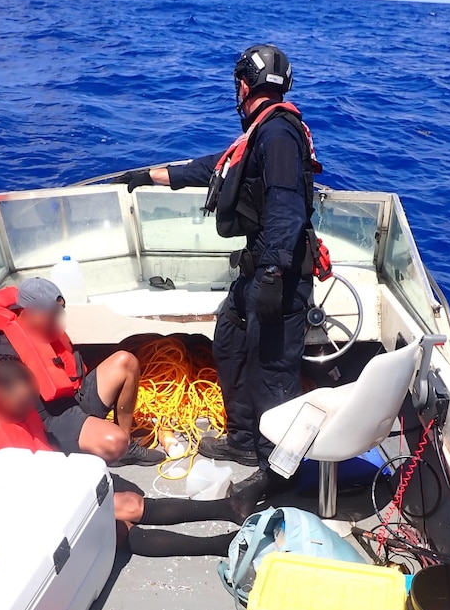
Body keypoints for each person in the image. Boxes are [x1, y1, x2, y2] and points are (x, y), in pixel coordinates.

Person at [113, 43, 321, 500]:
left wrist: (270, 277)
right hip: (261, 273)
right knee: (229, 341)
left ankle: (279, 476)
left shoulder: (279, 136)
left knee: (273, 375)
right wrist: (151, 175)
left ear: (244, 87)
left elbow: (287, 211)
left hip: (279, 279)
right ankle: (244, 441)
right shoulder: (261, 136)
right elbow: (214, 169)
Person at [0, 356, 253, 557]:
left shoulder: (24, 405)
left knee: (130, 503)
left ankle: (228, 507)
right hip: (21, 512)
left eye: (30, 402)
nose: (28, 411)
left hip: (49, 484)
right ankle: (218, 546)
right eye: (20, 405)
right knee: (119, 529)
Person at [0, 277, 165, 467]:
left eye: (58, 312)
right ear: (27, 311)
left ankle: (126, 448)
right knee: (115, 442)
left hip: (75, 396)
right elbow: (0, 384)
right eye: (50, 313)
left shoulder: (49, 329)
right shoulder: (2, 343)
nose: (56, 318)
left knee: (126, 361)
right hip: (53, 418)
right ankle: (109, 446)